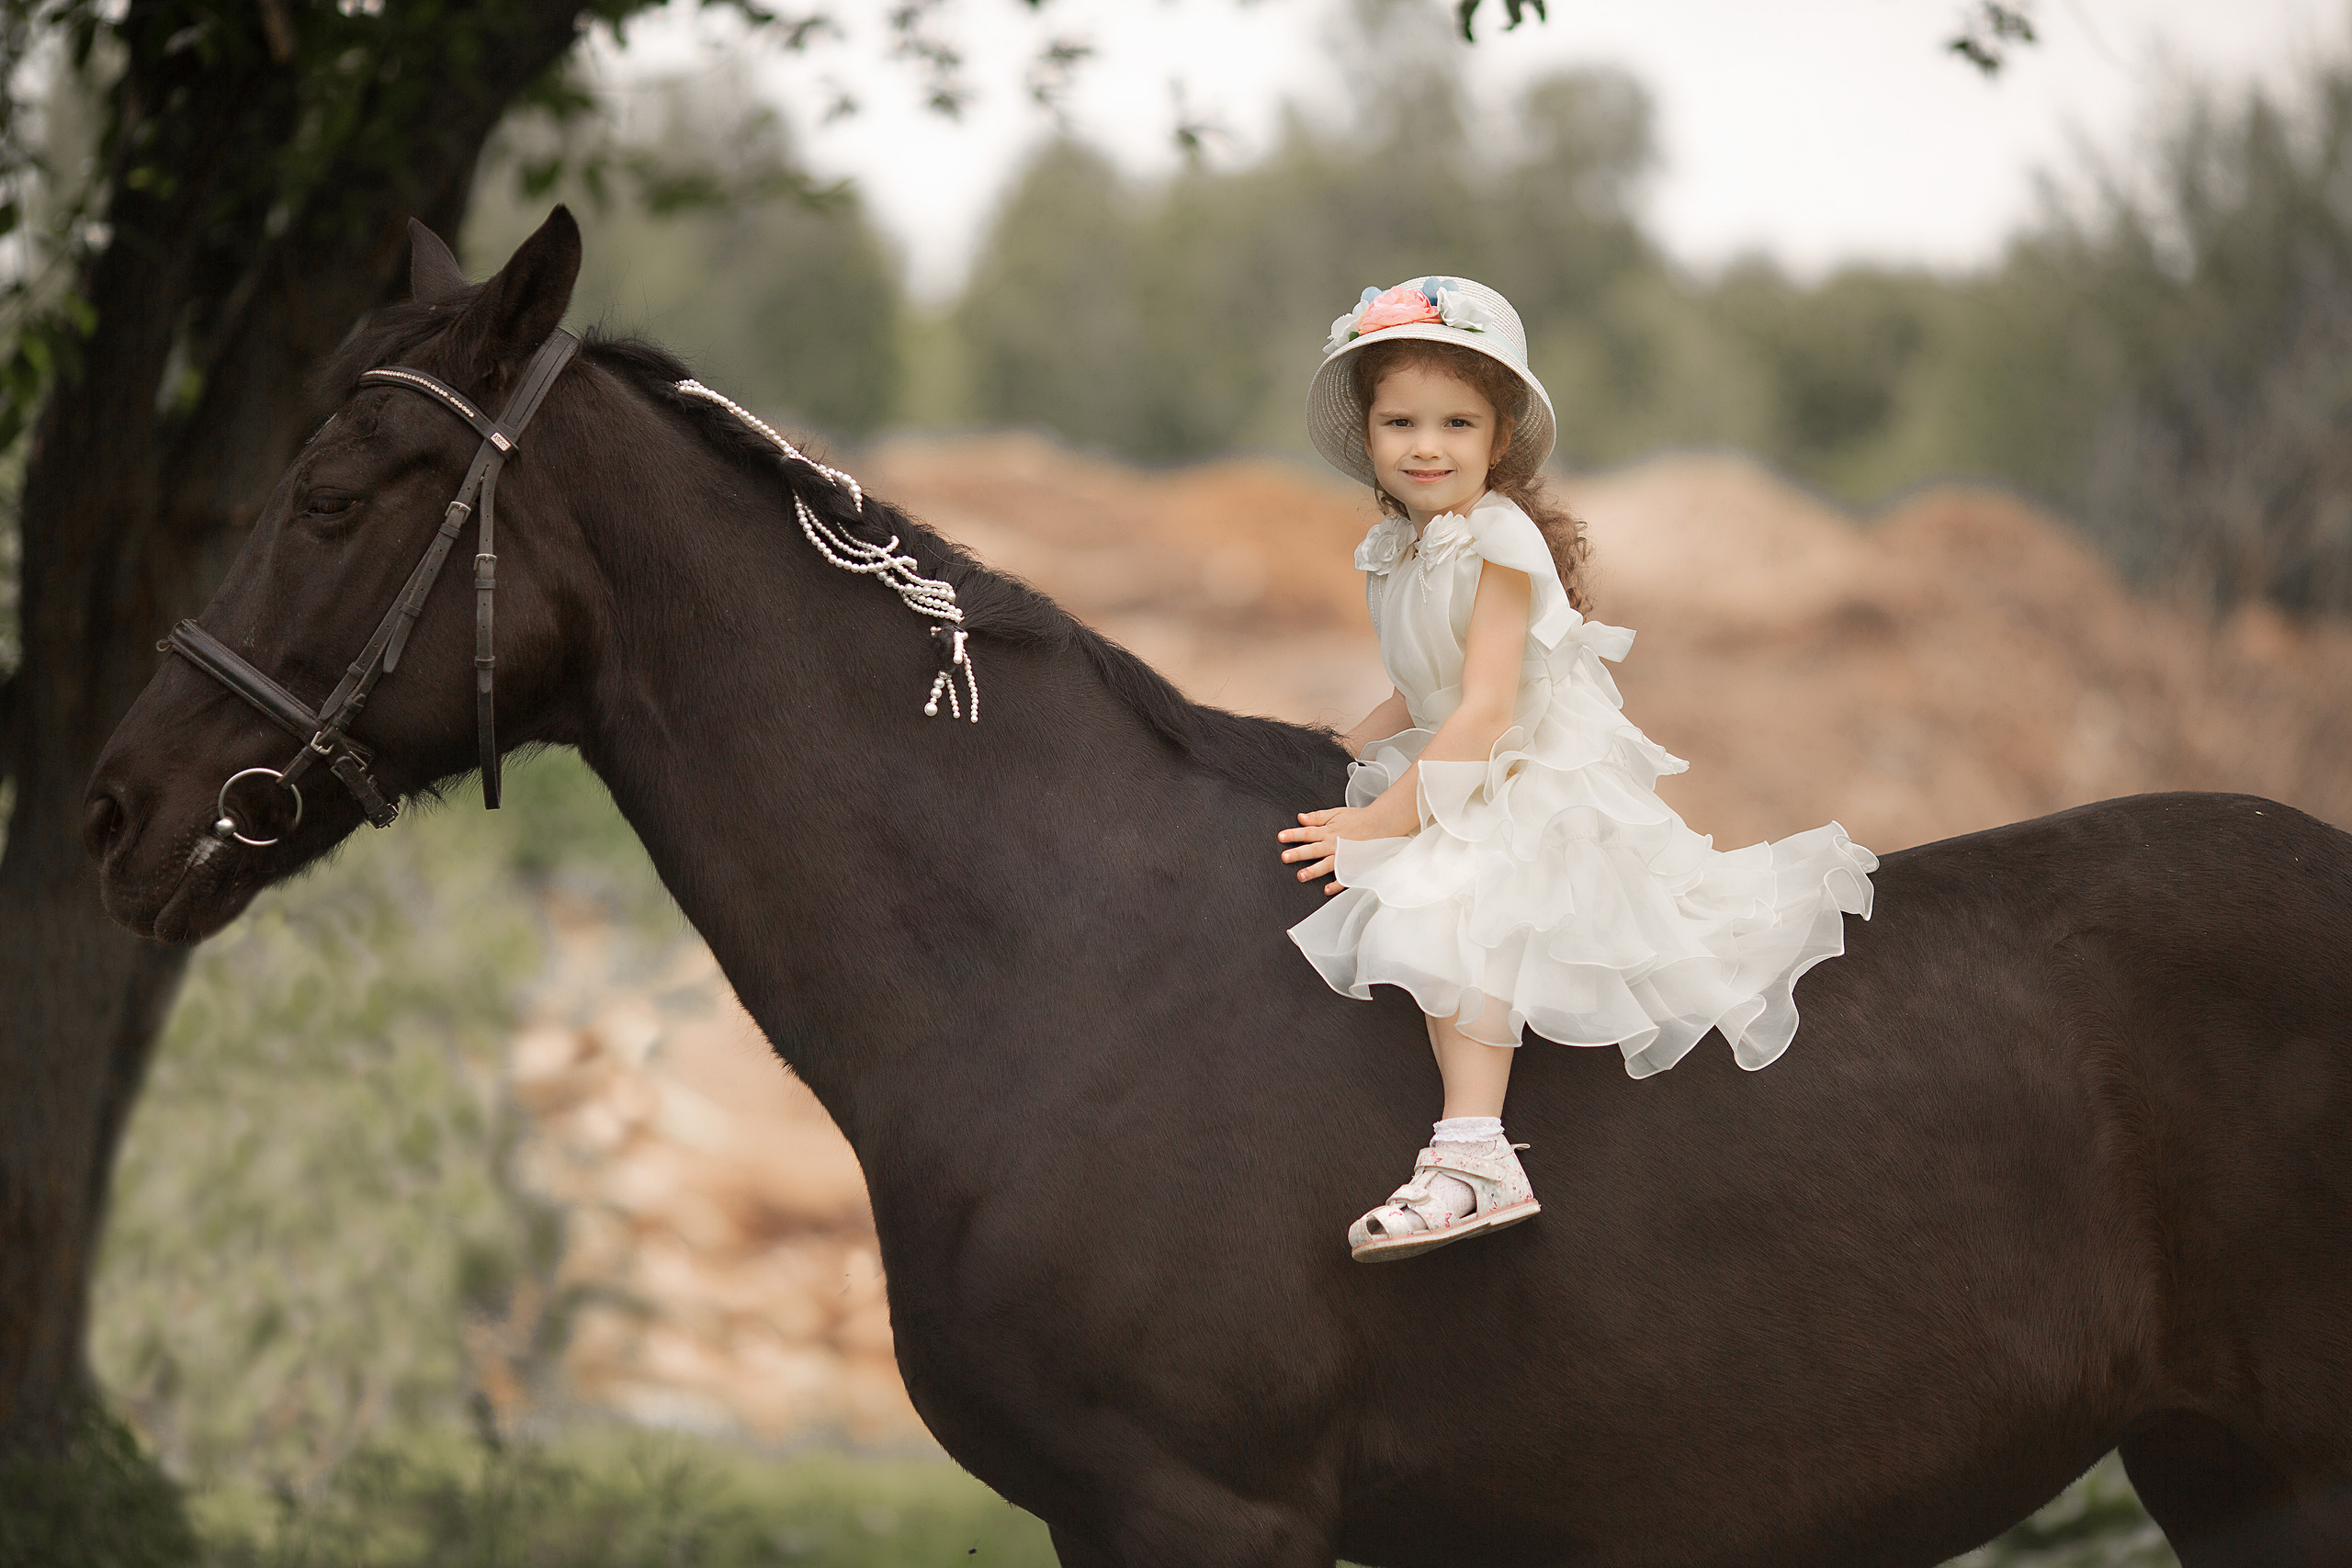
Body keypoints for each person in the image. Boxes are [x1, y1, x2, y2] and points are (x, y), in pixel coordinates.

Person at [1277, 277, 1878, 1263]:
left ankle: (1474, 1155)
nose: (1426, 445)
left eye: (1456, 422)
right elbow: (1419, 694)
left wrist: (1388, 819)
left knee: (1457, 896)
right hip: (1461, 744)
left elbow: (1485, 706)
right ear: (1369, 432)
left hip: (1525, 761)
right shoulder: (1395, 545)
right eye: (1400, 422)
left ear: (1498, 437)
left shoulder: (1500, 540)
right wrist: (1340, 755)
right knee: (1383, 850)